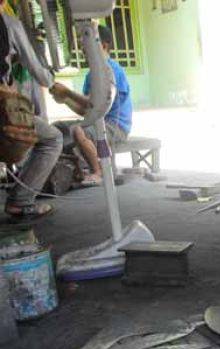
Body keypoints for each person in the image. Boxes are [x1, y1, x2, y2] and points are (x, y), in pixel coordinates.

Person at [1, 0, 62, 222]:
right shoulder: (9, 23)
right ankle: (20, 201)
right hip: (2, 110)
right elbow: (37, 69)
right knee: (52, 139)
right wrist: (52, 81)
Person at [50, 25, 132, 186]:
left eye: (86, 45)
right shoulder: (90, 75)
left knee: (79, 130)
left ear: (103, 45)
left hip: (116, 127)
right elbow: (86, 110)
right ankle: (76, 171)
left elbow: (98, 103)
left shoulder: (113, 70)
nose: (82, 50)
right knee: (58, 129)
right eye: (81, 46)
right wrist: (65, 99)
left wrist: (67, 92)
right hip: (97, 122)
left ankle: (100, 172)